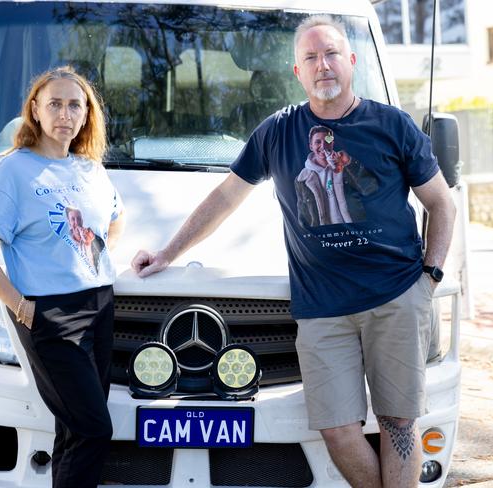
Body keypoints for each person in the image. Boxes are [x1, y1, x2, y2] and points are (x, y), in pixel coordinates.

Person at [131, 15, 455, 488]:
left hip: (397, 296)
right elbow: (225, 196)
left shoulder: (392, 125)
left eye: (330, 54)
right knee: (338, 429)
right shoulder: (278, 132)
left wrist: (432, 276)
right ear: (297, 72)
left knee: (398, 425)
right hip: (323, 309)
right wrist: (167, 252)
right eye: (310, 58)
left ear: (351, 62)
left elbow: (440, 203)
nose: (322, 65)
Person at [0, 65, 125, 488]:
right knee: (94, 429)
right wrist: (22, 308)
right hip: (50, 316)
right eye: (55, 103)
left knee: (75, 431)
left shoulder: (89, 169)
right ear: (34, 110)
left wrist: (97, 257)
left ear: (86, 114)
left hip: (100, 306)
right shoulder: (13, 171)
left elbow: (114, 218)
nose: (65, 114)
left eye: (75, 105)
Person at [295, 125, 377, 226]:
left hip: (355, 231)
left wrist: (349, 163)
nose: (323, 146)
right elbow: (304, 218)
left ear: (332, 143)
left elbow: (370, 189)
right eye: (317, 142)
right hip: (326, 237)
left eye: (327, 141)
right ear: (311, 146)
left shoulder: (345, 165)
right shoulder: (302, 179)